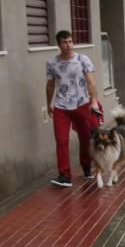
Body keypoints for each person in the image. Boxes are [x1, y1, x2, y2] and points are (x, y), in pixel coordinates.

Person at [46, 30, 101, 187]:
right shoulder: (52, 63)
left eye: (70, 41)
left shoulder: (83, 59)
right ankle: (65, 175)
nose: (68, 45)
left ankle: (86, 167)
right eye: (64, 42)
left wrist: (94, 101)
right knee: (61, 141)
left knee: (85, 139)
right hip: (61, 107)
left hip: (81, 104)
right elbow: (50, 85)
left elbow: (91, 82)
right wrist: (48, 103)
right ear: (58, 44)